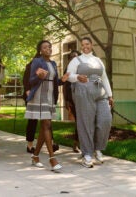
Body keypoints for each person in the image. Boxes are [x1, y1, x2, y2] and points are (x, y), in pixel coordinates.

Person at [66, 36, 113, 168]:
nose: (85, 46)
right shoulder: (76, 60)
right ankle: (87, 154)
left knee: (105, 120)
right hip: (83, 93)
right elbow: (68, 75)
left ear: (91, 45)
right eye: (82, 45)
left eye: (87, 44)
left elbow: (104, 78)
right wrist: (77, 77)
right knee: (86, 122)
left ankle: (98, 148)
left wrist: (110, 95)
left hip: (100, 92)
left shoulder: (97, 60)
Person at [25, 40, 62, 171]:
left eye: (49, 47)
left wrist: (63, 80)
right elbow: (31, 80)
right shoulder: (37, 61)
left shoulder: (53, 63)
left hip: (50, 97)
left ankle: (35, 156)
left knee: (44, 126)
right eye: (45, 47)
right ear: (40, 50)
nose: (48, 49)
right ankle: (52, 159)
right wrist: (39, 76)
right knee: (47, 124)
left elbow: (54, 81)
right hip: (39, 96)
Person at [61, 49, 81, 153]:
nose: (74, 58)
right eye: (72, 56)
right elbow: (65, 87)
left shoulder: (82, 68)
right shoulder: (68, 70)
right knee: (79, 121)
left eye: (76, 56)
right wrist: (66, 100)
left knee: (83, 121)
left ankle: (82, 143)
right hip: (72, 99)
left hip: (83, 98)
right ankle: (76, 144)